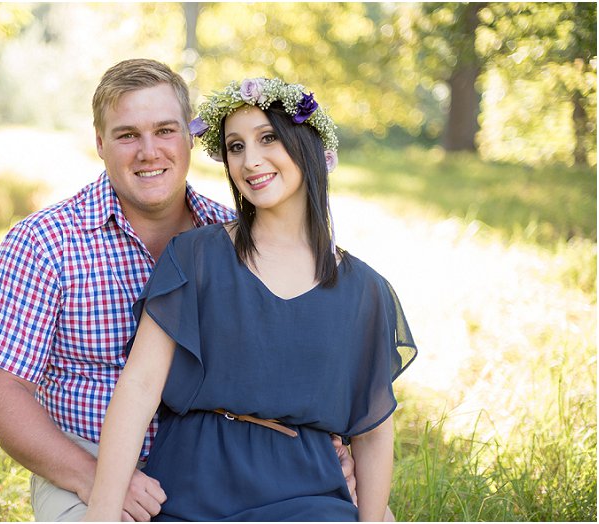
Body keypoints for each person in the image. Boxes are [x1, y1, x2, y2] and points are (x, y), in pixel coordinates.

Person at [0, 60, 359, 522]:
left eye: (165, 130)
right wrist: (94, 476)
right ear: (100, 142)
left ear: (190, 137)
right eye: (128, 135)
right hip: (87, 465)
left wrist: (326, 450)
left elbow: (302, 361)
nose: (149, 152)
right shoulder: (46, 242)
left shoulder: (235, 238)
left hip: (222, 463)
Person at [84, 78, 417, 521]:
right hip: (193, 486)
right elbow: (139, 387)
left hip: (308, 493)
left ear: (309, 145)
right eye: (236, 146)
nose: (250, 161)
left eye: (268, 138)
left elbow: (373, 431)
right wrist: (100, 515)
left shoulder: (365, 291)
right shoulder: (196, 256)